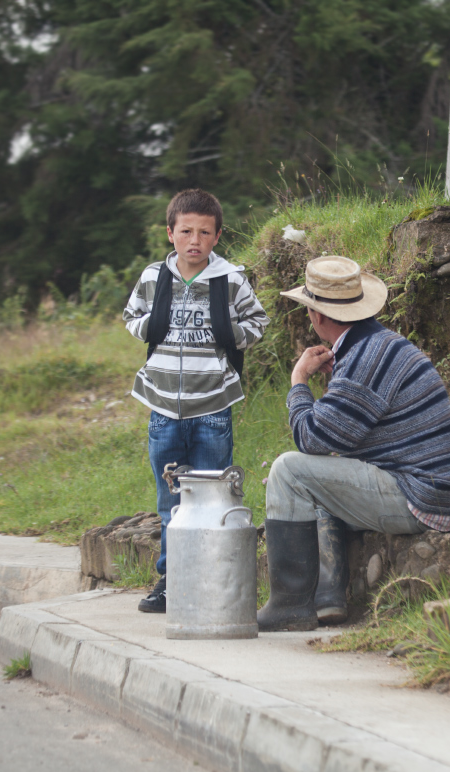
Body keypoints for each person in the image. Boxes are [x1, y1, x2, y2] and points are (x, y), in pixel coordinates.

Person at [257, 255, 450, 632]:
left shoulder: (363, 359)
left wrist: (299, 381)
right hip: (429, 491)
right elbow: (341, 440)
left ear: (317, 316)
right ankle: (327, 598)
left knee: (288, 470)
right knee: (307, 479)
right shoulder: (377, 346)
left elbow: (311, 439)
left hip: (417, 498)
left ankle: (290, 605)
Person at [123, 189, 269, 613]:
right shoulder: (154, 277)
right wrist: (155, 323)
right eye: (186, 231)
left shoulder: (231, 280)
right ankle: (172, 583)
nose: (194, 240)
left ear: (217, 236)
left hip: (213, 407)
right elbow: (131, 317)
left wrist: (230, 334)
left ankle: (212, 582)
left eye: (205, 232)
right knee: (171, 501)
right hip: (163, 407)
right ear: (170, 233)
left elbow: (257, 322)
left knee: (213, 498)